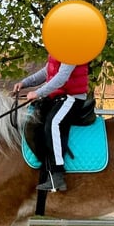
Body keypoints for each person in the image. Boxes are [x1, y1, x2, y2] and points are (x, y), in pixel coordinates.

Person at [13, 56, 91, 191]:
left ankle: (57, 175)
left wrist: (38, 93)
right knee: (34, 122)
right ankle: (45, 167)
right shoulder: (58, 50)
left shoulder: (72, 51)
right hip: (58, 97)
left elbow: (61, 77)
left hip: (72, 97)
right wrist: (25, 83)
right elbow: (46, 71)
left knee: (53, 123)